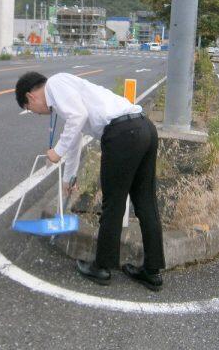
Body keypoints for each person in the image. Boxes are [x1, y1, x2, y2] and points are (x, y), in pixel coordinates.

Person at [14, 71, 165, 291]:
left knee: (113, 204)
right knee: (145, 202)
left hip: (122, 134)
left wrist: (56, 151)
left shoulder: (55, 84)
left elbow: (78, 117)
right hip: (144, 128)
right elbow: (75, 136)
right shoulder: (66, 91)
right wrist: (69, 178)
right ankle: (152, 271)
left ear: (30, 97)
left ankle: (102, 267)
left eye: (30, 110)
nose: (38, 113)